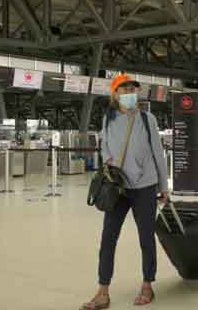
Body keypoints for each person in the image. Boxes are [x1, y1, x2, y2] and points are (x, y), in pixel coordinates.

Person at [81, 74, 169, 310]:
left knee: (146, 238)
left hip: (145, 186)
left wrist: (163, 186)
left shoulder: (147, 119)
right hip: (118, 188)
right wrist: (111, 165)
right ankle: (102, 291)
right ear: (114, 93)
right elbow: (105, 148)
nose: (129, 92)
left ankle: (148, 284)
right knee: (108, 238)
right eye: (124, 89)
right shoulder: (108, 120)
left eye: (132, 89)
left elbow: (158, 154)